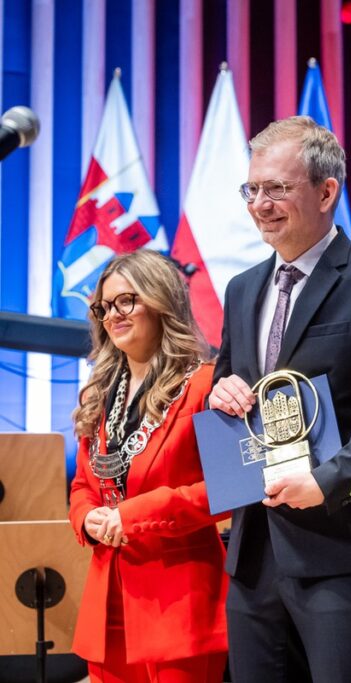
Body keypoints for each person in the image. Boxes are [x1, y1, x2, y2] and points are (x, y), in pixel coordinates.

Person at [208, 116, 351, 683]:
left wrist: (324, 481)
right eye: (252, 189)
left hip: (339, 552)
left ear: (327, 191)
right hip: (254, 552)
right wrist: (219, 390)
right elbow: (233, 384)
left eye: (277, 188)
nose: (260, 204)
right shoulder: (242, 288)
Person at [69, 249, 227, 682]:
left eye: (127, 301)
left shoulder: (206, 384)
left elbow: (229, 490)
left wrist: (135, 515)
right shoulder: (97, 395)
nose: (112, 314)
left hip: (179, 604)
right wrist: (88, 519)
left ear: (160, 302)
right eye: (104, 306)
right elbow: (83, 484)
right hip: (108, 603)